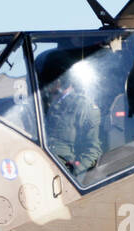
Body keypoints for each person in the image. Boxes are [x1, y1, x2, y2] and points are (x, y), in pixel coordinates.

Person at [38, 48, 102, 176]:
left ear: (59, 81)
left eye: (49, 78)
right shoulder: (40, 103)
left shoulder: (84, 107)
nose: (44, 83)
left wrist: (73, 172)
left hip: (61, 171)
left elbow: (93, 151)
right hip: (38, 161)